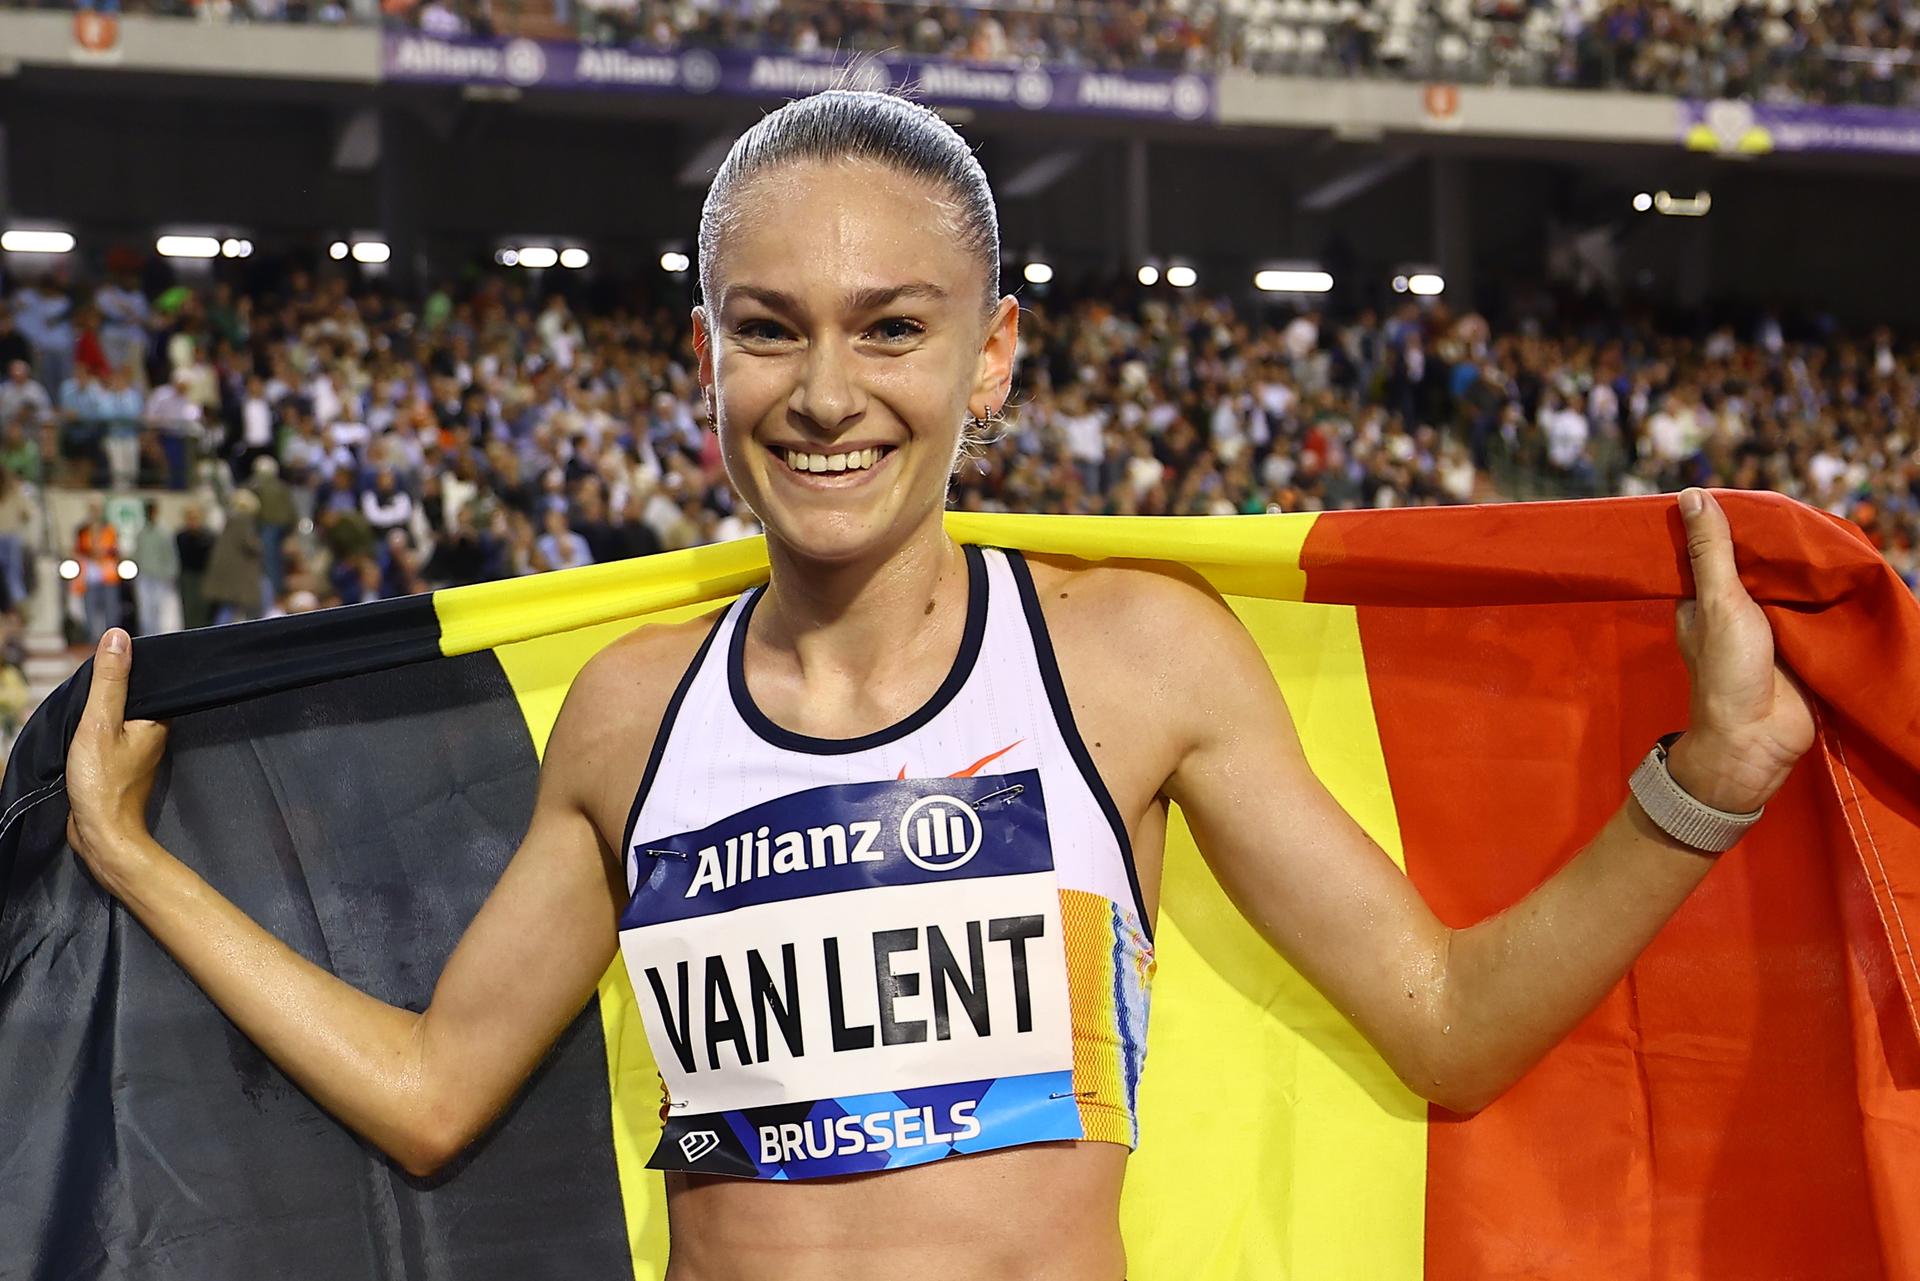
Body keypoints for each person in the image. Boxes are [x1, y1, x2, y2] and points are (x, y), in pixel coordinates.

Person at [61, 91, 1815, 1281]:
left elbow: (1447, 1021)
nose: (828, 391)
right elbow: (440, 1089)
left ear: (991, 358)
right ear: (708, 355)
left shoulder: (1128, 662)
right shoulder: (627, 715)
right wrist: (137, 862)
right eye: (770, 327)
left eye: (893, 327)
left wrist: (1712, 776)